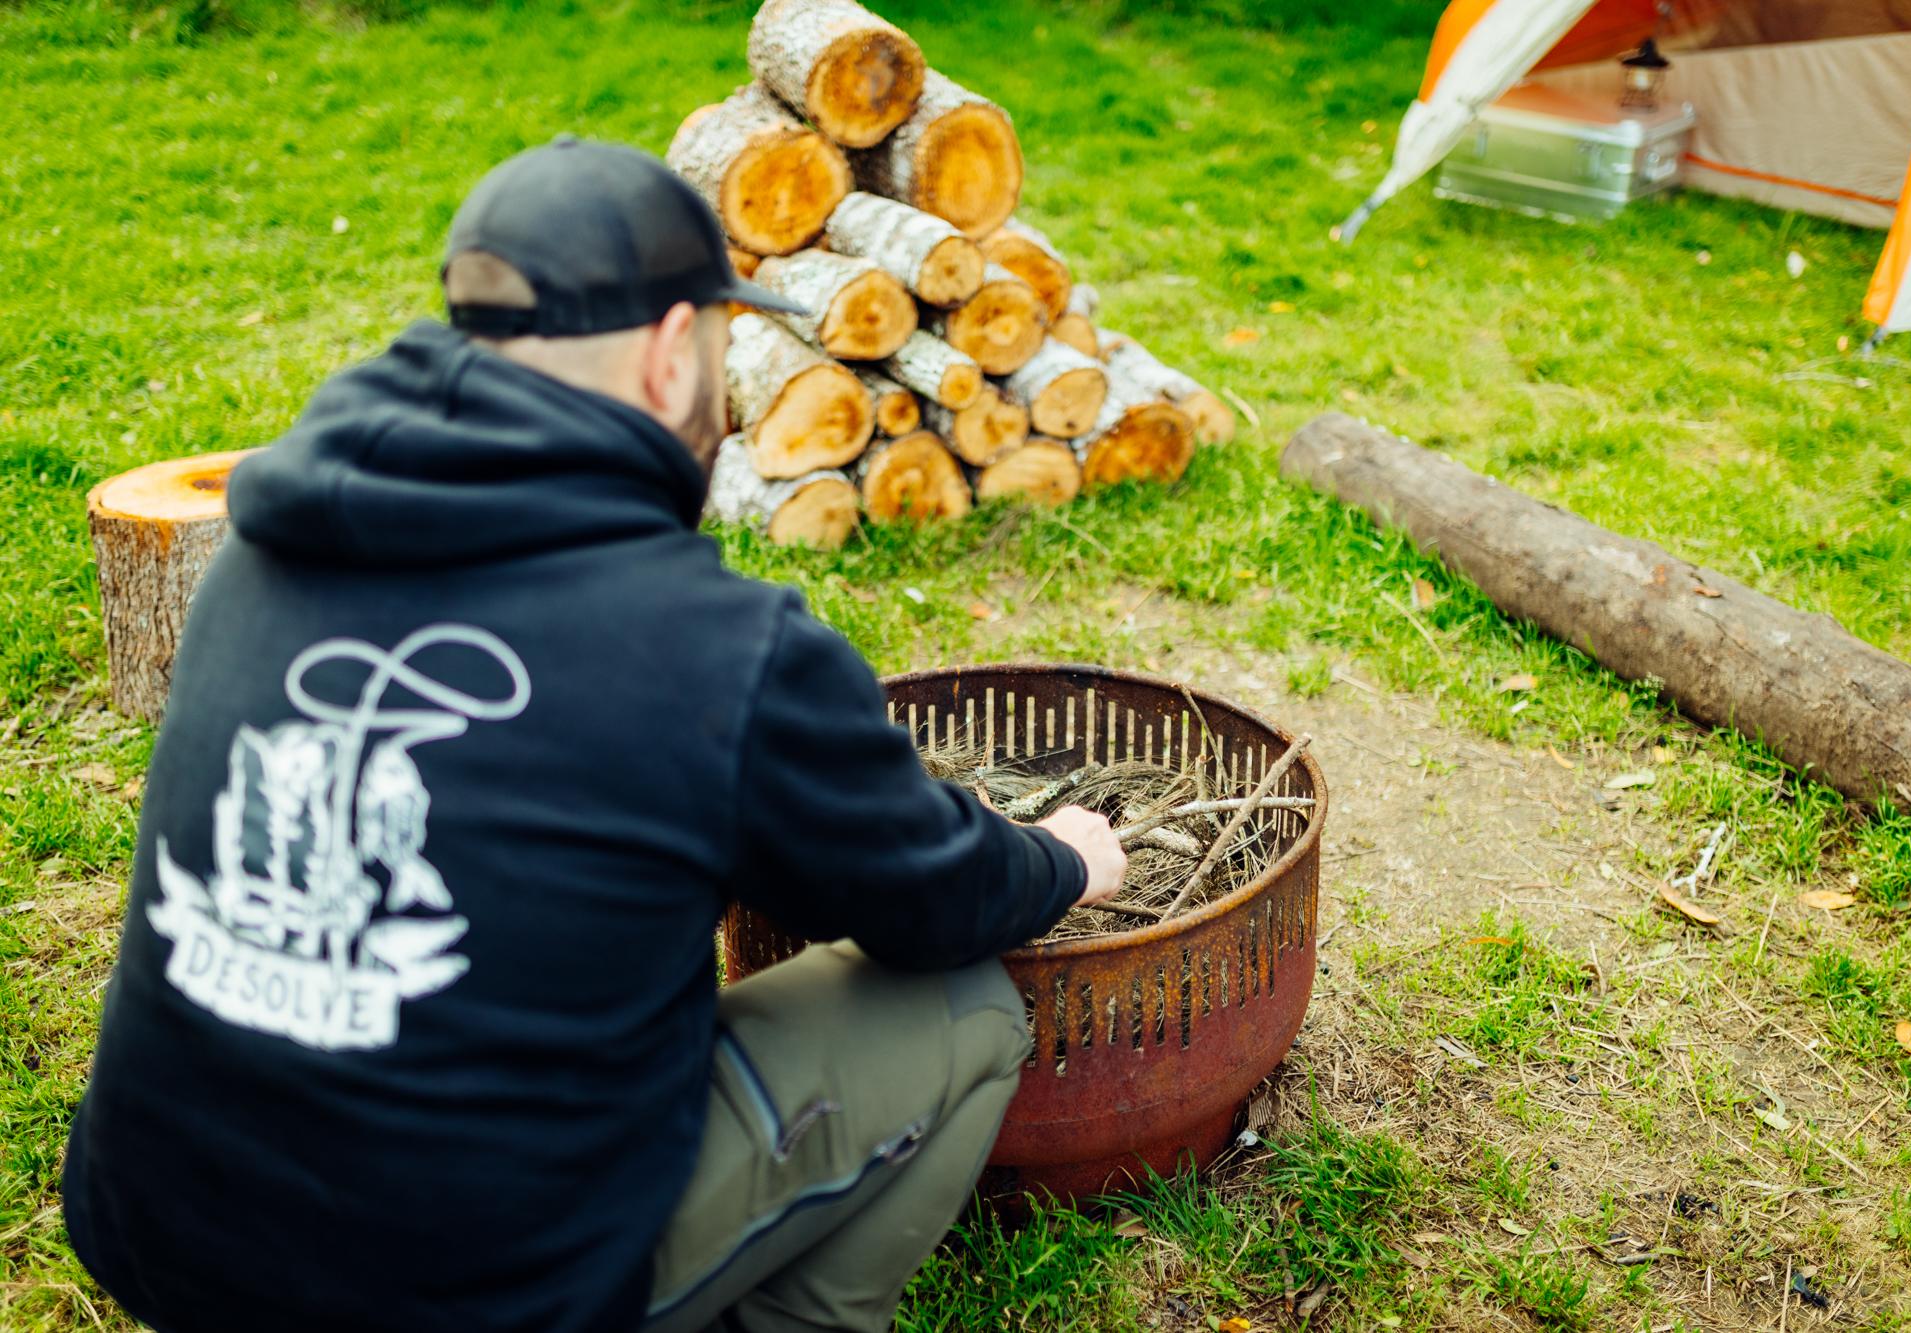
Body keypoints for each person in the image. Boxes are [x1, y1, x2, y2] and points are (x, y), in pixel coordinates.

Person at [62, 136, 1128, 1333]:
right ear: (676, 347)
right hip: (460, 1301)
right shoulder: (709, 645)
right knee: (965, 1016)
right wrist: (1068, 858)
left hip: (160, 1237)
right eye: (724, 352)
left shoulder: (268, 539)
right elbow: (932, 898)